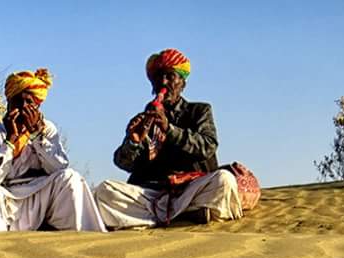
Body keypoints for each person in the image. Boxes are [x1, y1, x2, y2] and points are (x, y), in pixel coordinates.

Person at [94, 48, 242, 228]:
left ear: (182, 84)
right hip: (151, 194)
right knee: (104, 191)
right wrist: (132, 141)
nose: (163, 82)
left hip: (188, 190)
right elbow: (123, 163)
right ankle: (181, 216)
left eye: (170, 76)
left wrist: (169, 130)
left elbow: (208, 146)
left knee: (224, 180)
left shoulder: (199, 111)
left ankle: (161, 217)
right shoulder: (146, 117)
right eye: (159, 77)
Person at [0, 69, 107, 232]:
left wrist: (37, 136)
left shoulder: (47, 129)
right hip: (6, 197)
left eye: (29, 103)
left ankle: (84, 238)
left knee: (71, 178)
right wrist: (10, 141)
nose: (23, 107)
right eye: (18, 102)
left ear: (37, 106)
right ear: (8, 103)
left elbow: (58, 167)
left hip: (40, 193)